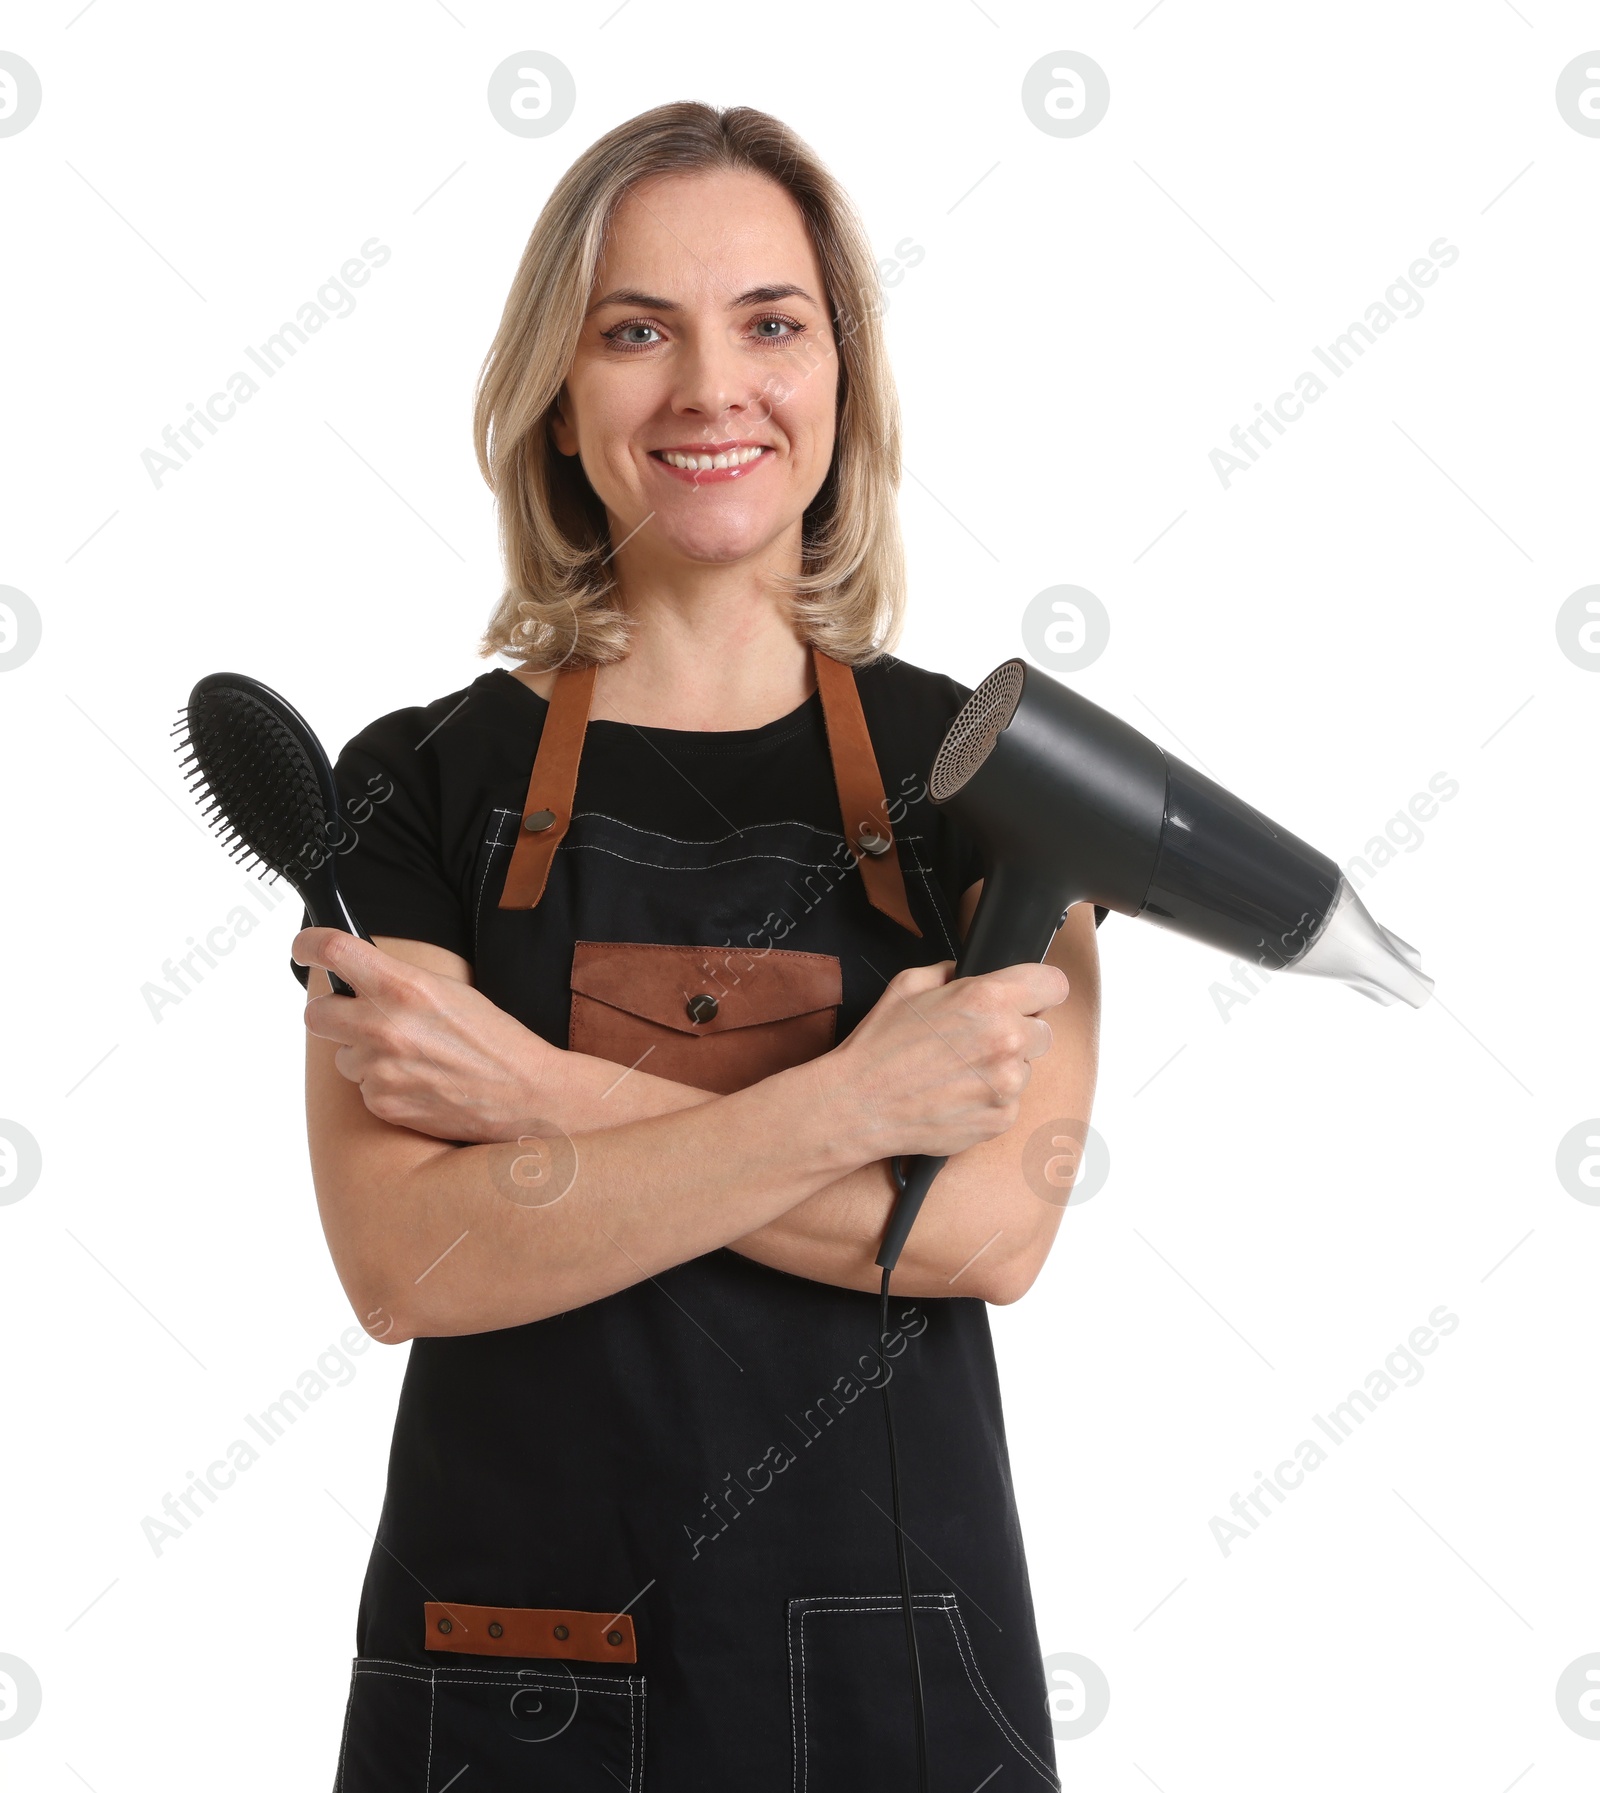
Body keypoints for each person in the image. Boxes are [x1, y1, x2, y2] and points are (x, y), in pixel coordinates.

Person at [293, 100, 1103, 1792]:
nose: (710, 388)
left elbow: (982, 1234)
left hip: (903, 1670)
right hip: (515, 1670)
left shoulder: (1003, 783)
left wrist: (528, 1090)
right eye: (636, 330)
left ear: (840, 383)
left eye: (772, 324)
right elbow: (408, 1264)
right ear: (562, 401)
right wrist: (852, 1110)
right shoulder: (414, 786)